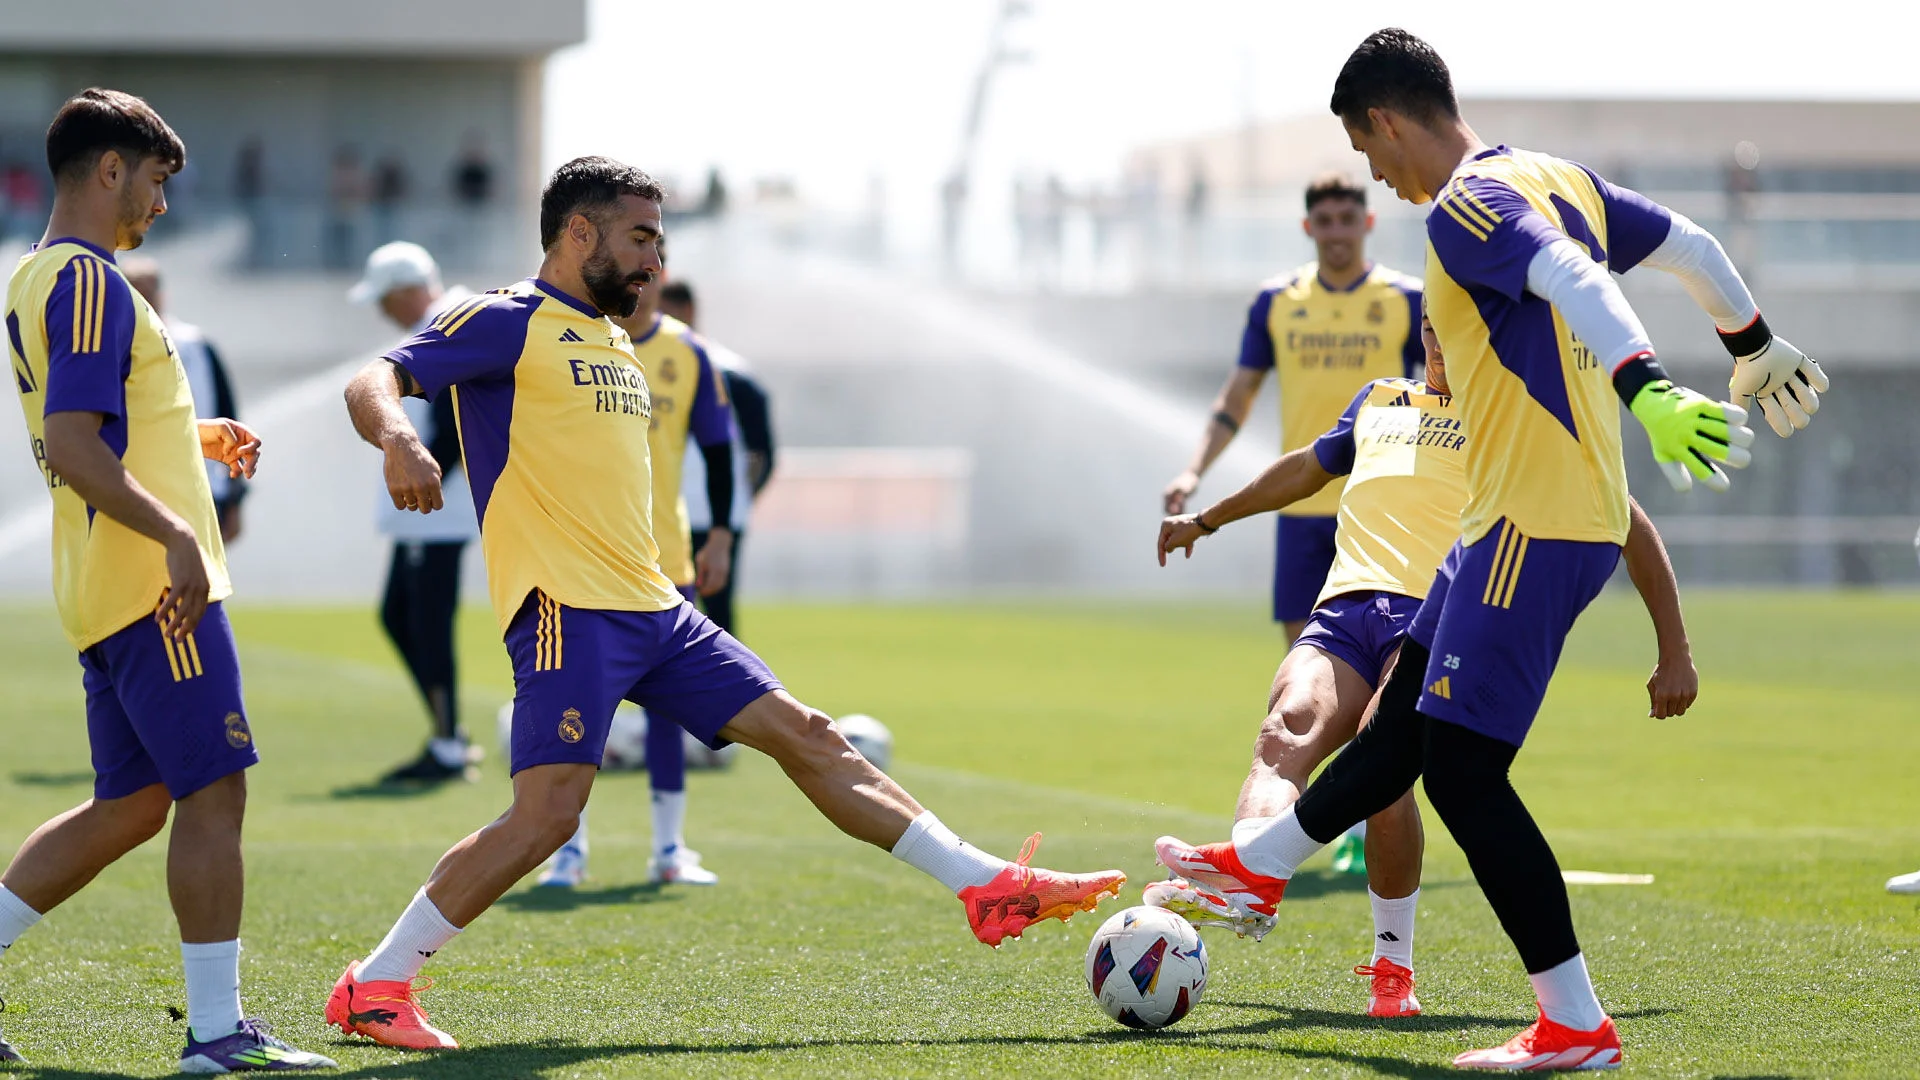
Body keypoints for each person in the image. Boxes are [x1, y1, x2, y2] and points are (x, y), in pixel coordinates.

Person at [327, 156, 1125, 1051]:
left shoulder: (618, 340)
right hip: (565, 608)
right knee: (549, 815)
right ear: (578, 231)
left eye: (658, 243)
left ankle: (984, 885)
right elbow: (374, 380)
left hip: (657, 609)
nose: (654, 263)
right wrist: (400, 439)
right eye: (640, 239)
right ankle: (377, 984)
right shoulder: (505, 317)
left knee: (811, 734)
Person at [1153, 28, 1826, 1071]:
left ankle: (1575, 1024)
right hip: (1501, 527)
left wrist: (1645, 386)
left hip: (1535, 523)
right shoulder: (1559, 176)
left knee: (1463, 776)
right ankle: (1260, 868)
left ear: (1384, 118)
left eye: (1373, 158)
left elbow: (1566, 276)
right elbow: (1694, 246)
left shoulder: (1469, 204)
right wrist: (1751, 343)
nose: (1383, 180)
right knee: (1400, 732)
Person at [1150, 313, 1697, 1020]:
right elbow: (1303, 470)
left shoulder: (1516, 412)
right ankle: (1252, 882)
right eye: (1435, 330)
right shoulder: (1380, 399)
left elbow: (1627, 519)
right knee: (1282, 732)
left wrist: (1674, 648)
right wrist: (1207, 519)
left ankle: (1392, 968)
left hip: (1439, 615)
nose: (1445, 344)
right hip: (1345, 605)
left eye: (1461, 331)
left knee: (1385, 768)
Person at [0, 87, 332, 1072]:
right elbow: (72, 444)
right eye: (155, 179)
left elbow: (94, 427)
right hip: (155, 585)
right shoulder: (96, 283)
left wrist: (191, 439)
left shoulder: (36, 276)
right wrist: (183, 530)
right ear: (110, 170)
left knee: (132, 805)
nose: (162, 203)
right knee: (216, 790)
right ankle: (216, 1034)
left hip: (101, 582)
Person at [1165, 171, 1423, 874]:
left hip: (1384, 524)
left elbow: (1442, 393)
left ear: (1366, 225)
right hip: (1301, 519)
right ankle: (1322, 830)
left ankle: (1352, 827)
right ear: (1308, 228)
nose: (1337, 231)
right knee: (1309, 692)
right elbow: (1238, 396)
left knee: (1377, 707)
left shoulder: (1406, 300)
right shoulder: (1278, 303)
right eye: (1325, 221)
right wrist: (1195, 473)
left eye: (1348, 219)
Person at [537, 261, 738, 889]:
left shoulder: (689, 352)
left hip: (665, 560)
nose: (641, 274)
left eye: (652, 260)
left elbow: (719, 447)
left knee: (667, 718)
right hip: (584, 564)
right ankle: (567, 851)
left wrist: (723, 534)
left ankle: (669, 849)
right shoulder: (574, 340)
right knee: (576, 716)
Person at [347, 241, 481, 785]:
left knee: (427, 622)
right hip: (427, 508)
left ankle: (449, 744)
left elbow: (454, 423)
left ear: (408, 289)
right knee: (401, 616)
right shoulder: (434, 325)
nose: (381, 310)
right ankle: (448, 734)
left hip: (438, 510)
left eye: (385, 298)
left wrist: (426, 482)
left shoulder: (448, 322)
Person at [664, 279, 775, 637]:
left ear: (686, 311)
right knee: (672, 622)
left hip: (710, 518)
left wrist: (735, 504)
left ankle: (733, 691)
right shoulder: (645, 357)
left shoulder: (728, 372)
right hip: (667, 514)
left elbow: (761, 452)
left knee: (715, 622)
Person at [122, 256, 247, 544]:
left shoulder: (196, 345)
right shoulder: (112, 347)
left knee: (200, 582)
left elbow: (229, 421)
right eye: (133, 291)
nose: (142, 300)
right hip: (136, 491)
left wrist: (236, 499)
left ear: (160, 294)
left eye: (147, 291)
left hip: (199, 488)